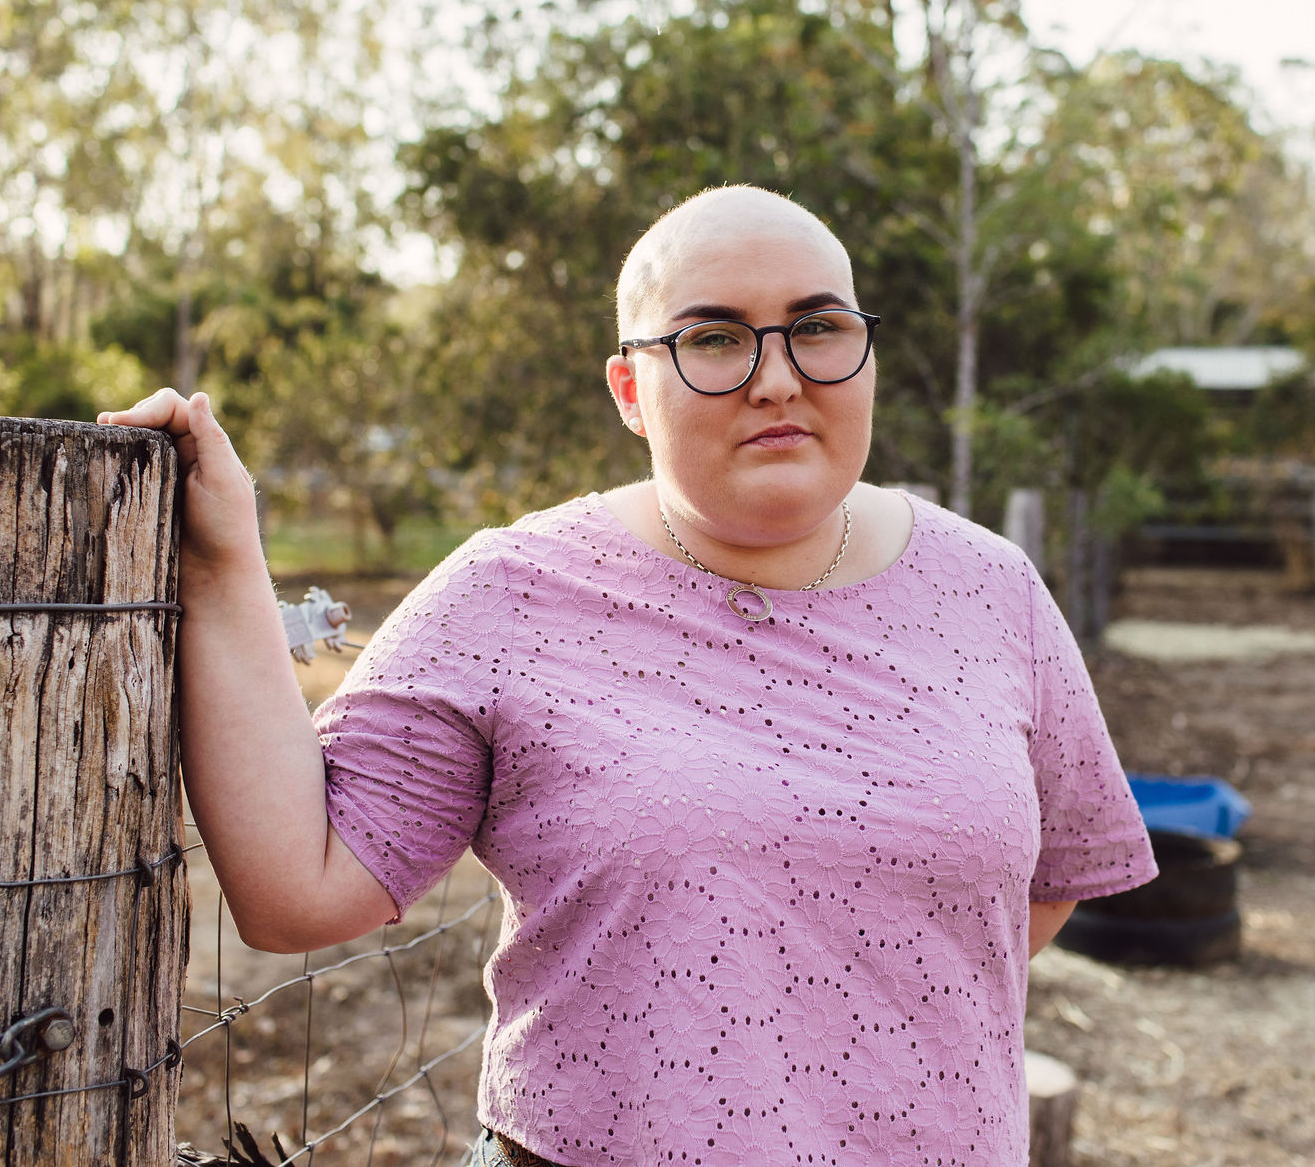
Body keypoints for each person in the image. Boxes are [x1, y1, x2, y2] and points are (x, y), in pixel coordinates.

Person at [100, 185, 1155, 1167]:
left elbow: (1052, 873)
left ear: (865, 352)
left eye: (819, 327)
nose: (776, 377)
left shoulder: (987, 589)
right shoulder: (510, 594)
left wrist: (839, 1031)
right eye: (711, 338)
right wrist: (222, 559)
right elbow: (296, 892)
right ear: (628, 389)